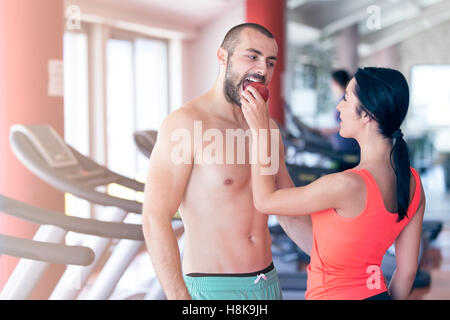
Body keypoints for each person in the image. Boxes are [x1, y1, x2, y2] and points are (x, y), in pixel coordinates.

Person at [142, 23, 312, 300]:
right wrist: (178, 297)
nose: (262, 70)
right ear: (223, 57)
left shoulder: (267, 128)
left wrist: (337, 260)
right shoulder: (186, 124)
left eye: (270, 62)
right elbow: (154, 217)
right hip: (214, 286)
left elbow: (286, 208)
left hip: (267, 281)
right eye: (252, 56)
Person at [241, 67, 426, 300]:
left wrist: (259, 134)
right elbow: (407, 272)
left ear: (368, 114)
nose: (339, 107)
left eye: (347, 99)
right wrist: (275, 154)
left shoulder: (346, 185)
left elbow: (265, 201)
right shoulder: (413, 183)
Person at [320, 70, 359, 154]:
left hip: (347, 148)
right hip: (341, 146)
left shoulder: (347, 100)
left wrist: (328, 131)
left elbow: (349, 123)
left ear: (335, 83)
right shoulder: (342, 100)